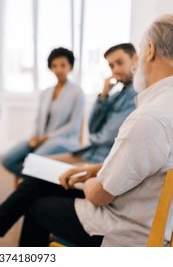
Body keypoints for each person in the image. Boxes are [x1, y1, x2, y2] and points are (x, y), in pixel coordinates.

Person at [0, 43, 139, 247]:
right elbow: (94, 128)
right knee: (24, 168)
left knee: (35, 175)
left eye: (119, 63)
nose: (115, 70)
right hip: (86, 152)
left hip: (82, 151)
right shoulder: (116, 93)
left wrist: (48, 140)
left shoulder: (130, 95)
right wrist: (103, 96)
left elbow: (100, 134)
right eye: (111, 65)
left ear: (135, 59)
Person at [18, 14, 173, 247]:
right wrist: (96, 169)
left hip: (128, 232)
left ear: (149, 51)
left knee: (37, 204)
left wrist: (90, 181)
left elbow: (100, 195)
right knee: (40, 185)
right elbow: (151, 163)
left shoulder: (149, 116)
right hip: (155, 224)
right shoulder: (159, 106)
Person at [1, 47, 85, 177]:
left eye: (63, 65)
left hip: (64, 141)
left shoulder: (77, 93)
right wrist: (34, 137)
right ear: (50, 68)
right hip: (40, 139)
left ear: (71, 67)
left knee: (32, 162)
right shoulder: (45, 92)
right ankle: (35, 181)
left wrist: (47, 138)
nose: (59, 69)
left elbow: (74, 126)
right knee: (7, 159)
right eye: (54, 66)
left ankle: (33, 182)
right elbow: (38, 119)